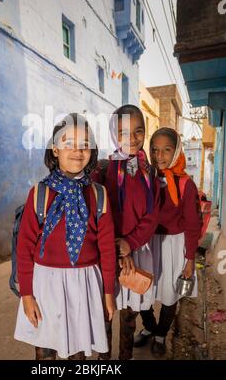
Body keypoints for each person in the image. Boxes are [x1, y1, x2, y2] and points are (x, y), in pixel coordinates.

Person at [14, 113, 116, 360]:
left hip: (85, 283)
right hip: (45, 284)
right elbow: (25, 247)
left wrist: (108, 294)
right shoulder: (39, 193)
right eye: (68, 143)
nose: (77, 151)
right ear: (55, 149)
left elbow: (107, 250)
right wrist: (27, 295)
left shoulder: (99, 195)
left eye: (85, 144)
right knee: (45, 350)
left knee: (78, 351)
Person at [91, 104, 160, 360]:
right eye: (123, 132)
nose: (132, 139)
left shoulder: (150, 173)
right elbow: (97, 214)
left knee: (129, 314)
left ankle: (125, 357)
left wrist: (129, 243)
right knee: (107, 311)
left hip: (137, 252)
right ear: (113, 133)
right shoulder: (103, 170)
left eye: (138, 131)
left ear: (145, 133)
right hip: (108, 255)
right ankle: (104, 360)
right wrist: (116, 249)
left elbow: (151, 217)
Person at [134, 127, 202, 355]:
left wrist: (189, 258)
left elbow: (193, 225)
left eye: (166, 150)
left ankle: (161, 334)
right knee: (141, 290)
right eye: (154, 150)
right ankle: (149, 326)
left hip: (174, 245)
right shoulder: (146, 178)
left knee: (169, 295)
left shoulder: (185, 184)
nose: (159, 156)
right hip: (147, 243)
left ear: (176, 151)